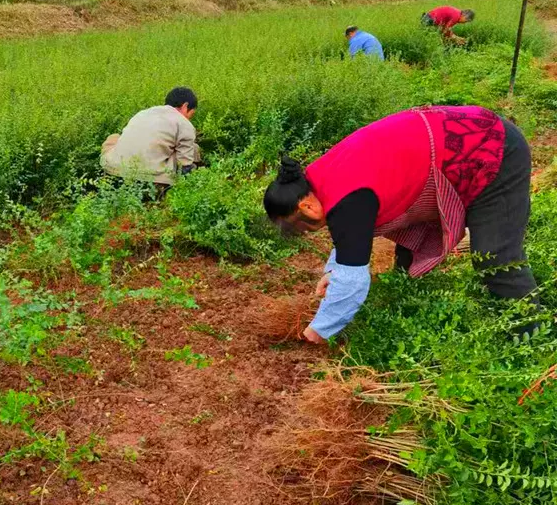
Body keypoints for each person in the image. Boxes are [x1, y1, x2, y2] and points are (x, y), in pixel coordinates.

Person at [263, 106, 538, 343]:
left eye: (300, 225)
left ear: (306, 206)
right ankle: (407, 292)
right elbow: (348, 239)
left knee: (495, 256)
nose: (306, 230)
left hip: (489, 148)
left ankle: (532, 337)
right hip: (452, 142)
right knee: (407, 242)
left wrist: (319, 330)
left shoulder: (347, 197)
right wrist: (332, 271)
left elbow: (353, 279)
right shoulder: (320, 180)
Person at [101, 87, 201, 190]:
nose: (189, 118)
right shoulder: (183, 123)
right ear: (185, 106)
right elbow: (185, 166)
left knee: (114, 138)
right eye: (191, 114)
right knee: (192, 149)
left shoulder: (143, 113)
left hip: (114, 174)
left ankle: (110, 173)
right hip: (151, 182)